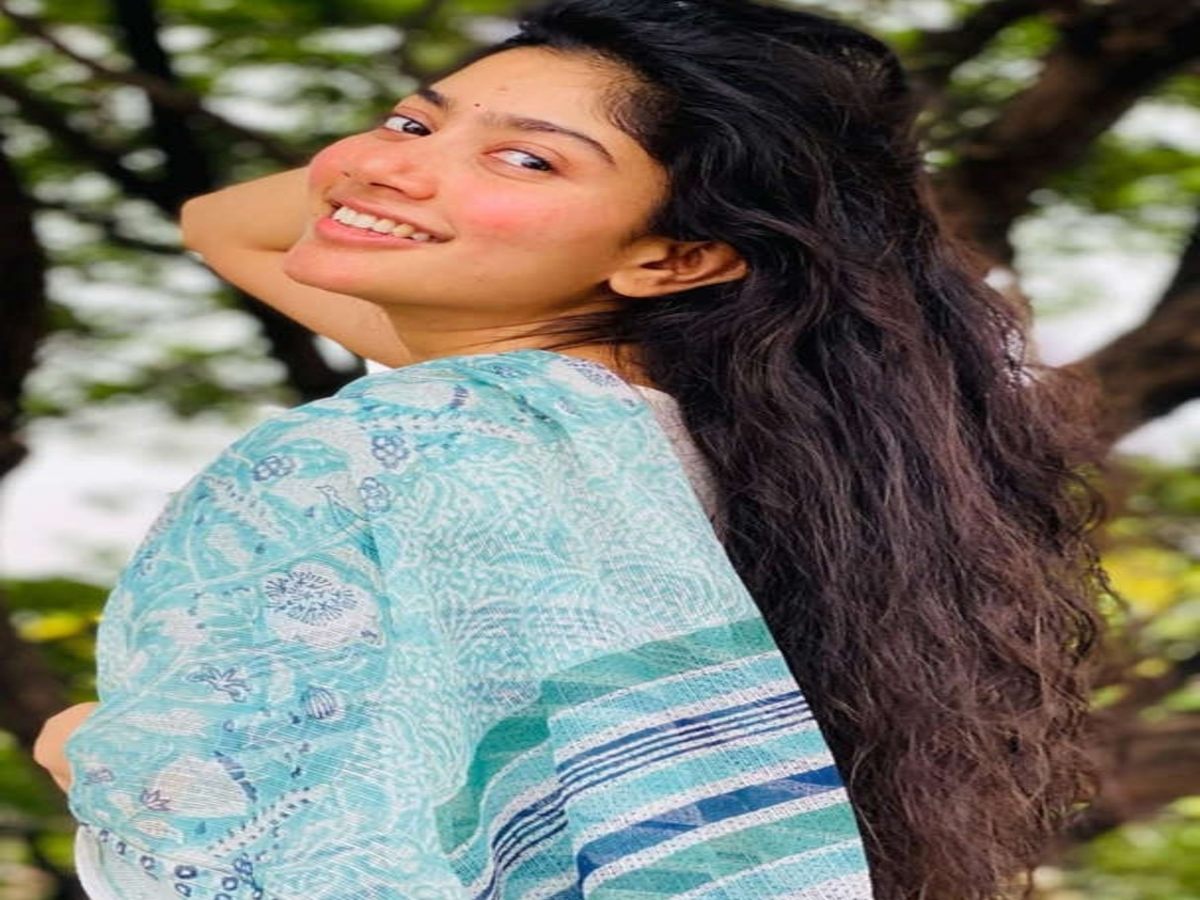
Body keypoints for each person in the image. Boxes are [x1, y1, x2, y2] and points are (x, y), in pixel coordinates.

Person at [33, 0, 1117, 898]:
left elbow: (238, 846)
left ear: (674, 257)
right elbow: (222, 222)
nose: (382, 166)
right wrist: (414, 171)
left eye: (526, 162)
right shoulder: (689, 422)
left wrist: (83, 744)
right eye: (411, 122)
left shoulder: (399, 448)